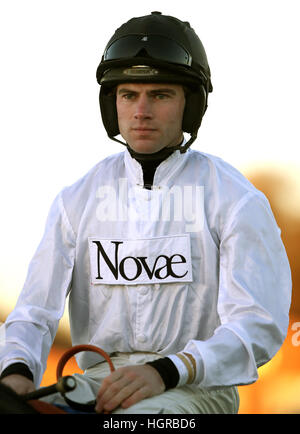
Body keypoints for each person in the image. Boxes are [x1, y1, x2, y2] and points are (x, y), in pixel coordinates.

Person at [0, 11, 292, 414]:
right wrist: (15, 373)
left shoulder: (235, 199)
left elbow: (258, 326)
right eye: (128, 94)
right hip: (99, 380)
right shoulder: (76, 200)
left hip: (196, 385)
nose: (141, 110)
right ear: (111, 104)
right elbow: (34, 312)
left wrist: (167, 370)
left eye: (159, 95)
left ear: (191, 105)